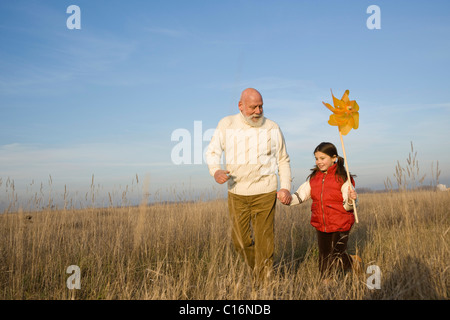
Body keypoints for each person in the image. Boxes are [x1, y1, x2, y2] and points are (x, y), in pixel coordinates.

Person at [205, 88, 292, 282]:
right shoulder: (226, 124)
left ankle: (264, 282)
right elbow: (212, 152)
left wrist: (285, 186)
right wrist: (215, 171)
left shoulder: (272, 128)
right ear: (241, 106)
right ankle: (260, 270)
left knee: (264, 241)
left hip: (265, 191)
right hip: (237, 192)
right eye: (253, 107)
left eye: (261, 106)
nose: (258, 111)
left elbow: (283, 159)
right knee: (240, 242)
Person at [286, 142, 361, 281]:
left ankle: (352, 263)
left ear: (334, 158)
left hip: (341, 222)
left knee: (337, 255)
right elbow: (300, 195)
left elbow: (348, 205)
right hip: (321, 222)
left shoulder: (343, 178)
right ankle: (327, 281)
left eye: (322, 158)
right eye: (316, 158)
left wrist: (351, 200)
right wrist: (287, 199)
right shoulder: (314, 178)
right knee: (324, 254)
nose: (318, 162)